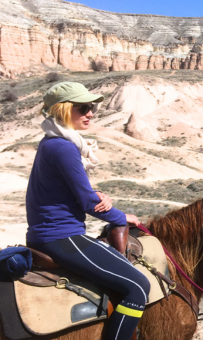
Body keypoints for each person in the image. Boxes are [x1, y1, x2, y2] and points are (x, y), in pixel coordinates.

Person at [25, 82, 150, 340]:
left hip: (50, 233)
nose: (90, 113)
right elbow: (87, 203)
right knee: (139, 286)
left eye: (91, 107)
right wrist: (121, 216)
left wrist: (96, 196)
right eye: (83, 108)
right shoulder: (63, 147)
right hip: (61, 237)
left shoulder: (51, 142)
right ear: (63, 110)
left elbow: (72, 192)